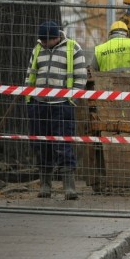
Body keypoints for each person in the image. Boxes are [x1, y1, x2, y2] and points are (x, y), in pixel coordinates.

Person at [25, 20, 88, 200]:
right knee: (40, 145)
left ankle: (69, 186)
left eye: (47, 41)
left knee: (63, 144)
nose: (44, 44)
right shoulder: (37, 49)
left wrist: (71, 100)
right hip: (39, 105)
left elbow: (80, 76)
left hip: (62, 105)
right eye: (42, 41)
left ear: (56, 37)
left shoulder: (72, 48)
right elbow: (30, 74)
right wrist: (30, 99)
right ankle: (45, 185)